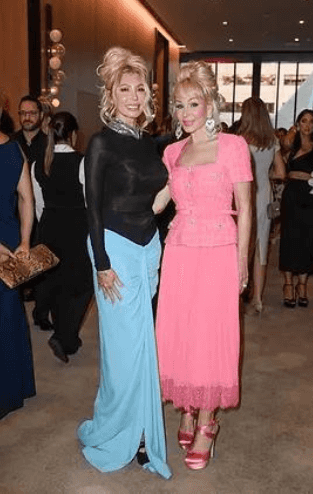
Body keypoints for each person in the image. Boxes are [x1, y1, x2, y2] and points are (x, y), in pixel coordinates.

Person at [153, 60, 252, 471]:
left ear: (211, 104)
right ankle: (188, 405)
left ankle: (208, 422)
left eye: (195, 103)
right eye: (179, 105)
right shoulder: (172, 152)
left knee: (212, 334)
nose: (187, 112)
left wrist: (242, 261)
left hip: (218, 252)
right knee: (181, 331)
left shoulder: (233, 147)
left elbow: (245, 208)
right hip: (178, 250)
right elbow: (160, 200)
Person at [78, 46, 171, 479]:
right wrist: (101, 263)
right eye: (124, 89)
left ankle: (138, 429)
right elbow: (92, 208)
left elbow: (155, 203)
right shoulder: (100, 143)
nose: (133, 97)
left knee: (142, 349)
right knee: (124, 352)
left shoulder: (151, 143)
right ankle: (125, 432)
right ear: (110, 94)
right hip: (113, 251)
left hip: (149, 249)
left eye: (139, 89)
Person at [31, 111, 93, 363]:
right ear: (74, 134)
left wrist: (46, 226)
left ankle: (64, 335)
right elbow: (91, 201)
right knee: (83, 286)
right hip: (77, 228)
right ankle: (65, 337)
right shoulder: (82, 162)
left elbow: (38, 204)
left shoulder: (37, 164)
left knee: (57, 286)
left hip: (49, 227)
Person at [274, 109, 313, 308]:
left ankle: (302, 285)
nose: (307, 125)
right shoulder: (291, 143)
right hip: (292, 197)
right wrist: (292, 133)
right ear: (297, 124)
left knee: (307, 241)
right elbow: (280, 156)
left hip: (311, 198)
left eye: (311, 122)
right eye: (303, 121)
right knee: (289, 240)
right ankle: (288, 285)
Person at [0, 116, 36, 420]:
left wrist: (24, 242)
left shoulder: (13, 151)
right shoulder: (14, 150)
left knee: (7, 314)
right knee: (7, 314)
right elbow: (27, 199)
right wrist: (22, 240)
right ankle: (12, 388)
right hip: (8, 242)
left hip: (7, 246)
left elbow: (26, 198)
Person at [235, 97, 279, 313]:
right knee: (261, 247)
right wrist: (267, 172)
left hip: (244, 196)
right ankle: (258, 299)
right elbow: (281, 172)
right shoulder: (272, 141)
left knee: (242, 244)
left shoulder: (240, 141)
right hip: (265, 196)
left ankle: (238, 292)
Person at [13, 95, 51, 329]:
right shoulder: (11, 142)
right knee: (16, 262)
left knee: (42, 263)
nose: (27, 117)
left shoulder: (49, 142)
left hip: (44, 210)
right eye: (23, 113)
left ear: (40, 116)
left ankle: (40, 312)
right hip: (15, 211)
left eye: (32, 113)